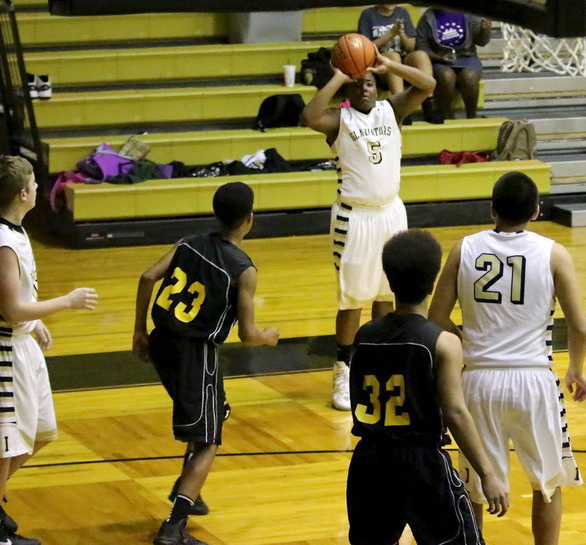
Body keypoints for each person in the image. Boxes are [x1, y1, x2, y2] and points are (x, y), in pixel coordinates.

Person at [428, 172, 586, 545]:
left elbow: (435, 318)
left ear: (492, 209)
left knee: (474, 487)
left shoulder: (464, 249)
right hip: (533, 380)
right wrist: (576, 369)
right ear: (536, 211)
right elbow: (580, 328)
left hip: (477, 381)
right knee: (547, 484)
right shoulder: (553, 253)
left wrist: (468, 344)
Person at [133, 181, 280, 545]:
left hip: (162, 341)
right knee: (208, 441)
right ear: (249, 219)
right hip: (196, 354)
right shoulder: (243, 269)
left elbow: (147, 276)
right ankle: (173, 527)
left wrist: (139, 330)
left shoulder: (190, 242)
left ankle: (190, 490)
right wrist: (268, 336)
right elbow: (247, 334)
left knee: (217, 411)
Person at [347, 229, 509, 545]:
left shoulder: (364, 335)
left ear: (389, 279)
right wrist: (488, 474)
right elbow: (455, 412)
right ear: (433, 282)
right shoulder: (443, 343)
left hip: (369, 461)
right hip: (421, 464)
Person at [301, 56, 435, 411]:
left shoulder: (392, 110)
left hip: (391, 212)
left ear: (378, 87)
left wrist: (390, 65)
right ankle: (343, 370)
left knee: (387, 294)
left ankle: (381, 363)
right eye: (358, 85)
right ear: (348, 91)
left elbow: (428, 85)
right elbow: (309, 116)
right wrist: (338, 77)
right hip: (354, 217)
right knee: (353, 299)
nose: (365, 89)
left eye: (370, 83)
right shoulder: (339, 119)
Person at [0, 155, 99, 545]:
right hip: (5, 353)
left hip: (22, 344)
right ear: (23, 194)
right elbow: (11, 310)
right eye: (34, 183)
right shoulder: (4, 242)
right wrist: (65, 302)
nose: (39, 187)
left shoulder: (15, 231)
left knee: (42, 432)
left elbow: (16, 301)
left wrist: (35, 318)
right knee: (7, 443)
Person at [414, 8, 491, 121]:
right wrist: (439, 58)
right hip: (439, 59)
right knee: (447, 76)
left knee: (469, 77)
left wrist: (485, 30)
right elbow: (421, 47)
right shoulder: (428, 17)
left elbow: (482, 42)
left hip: (467, 57)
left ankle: (472, 117)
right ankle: (446, 116)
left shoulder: (468, 13)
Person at [356, 4, 432, 97]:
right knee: (393, 57)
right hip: (379, 64)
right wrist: (391, 34)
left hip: (403, 60)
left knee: (420, 55)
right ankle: (399, 101)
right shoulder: (368, 14)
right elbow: (365, 48)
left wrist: (402, 34)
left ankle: (429, 100)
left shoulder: (402, 12)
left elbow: (410, 48)